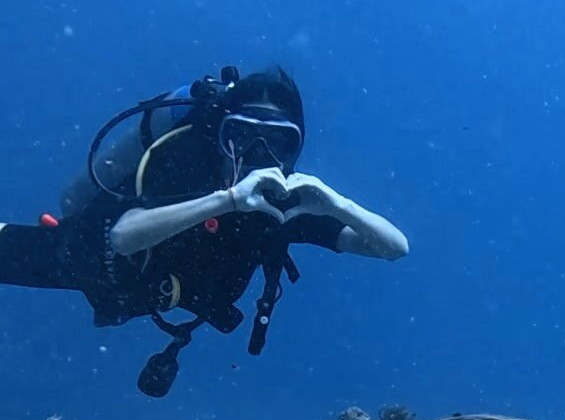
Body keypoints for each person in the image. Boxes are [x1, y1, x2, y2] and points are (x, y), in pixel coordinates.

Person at [0, 65, 408, 397]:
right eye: (243, 135)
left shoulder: (286, 204)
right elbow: (123, 237)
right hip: (92, 261)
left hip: (146, 294)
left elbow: (394, 247)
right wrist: (227, 199)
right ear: (221, 134)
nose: (257, 154)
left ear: (294, 149)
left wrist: (337, 204)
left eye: (278, 142)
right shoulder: (186, 162)